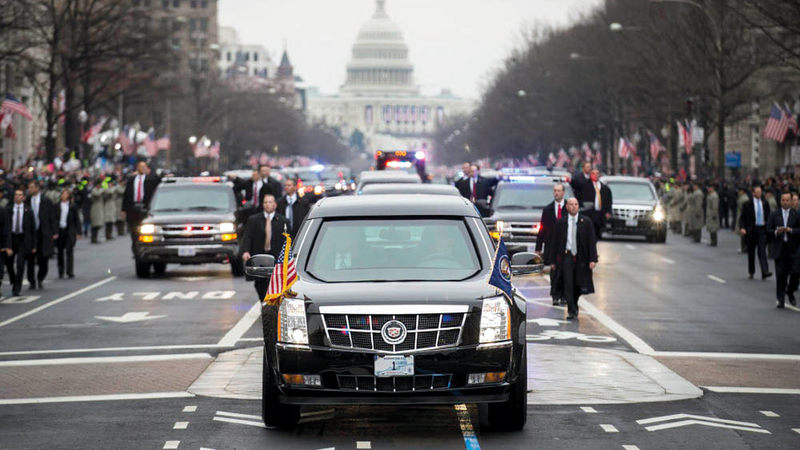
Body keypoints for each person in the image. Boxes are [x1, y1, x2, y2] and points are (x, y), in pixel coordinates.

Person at [549, 197, 598, 320]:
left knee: (578, 284)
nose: (574, 206)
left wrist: (593, 259)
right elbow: (554, 242)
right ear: (567, 206)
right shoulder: (561, 223)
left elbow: (591, 241)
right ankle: (571, 310)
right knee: (568, 283)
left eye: (576, 204)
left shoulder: (586, 222)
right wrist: (552, 260)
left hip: (581, 257)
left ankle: (574, 302)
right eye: (571, 204)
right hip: (567, 256)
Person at [239, 193, 289, 300]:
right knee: (260, 284)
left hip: (275, 257)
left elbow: (288, 239)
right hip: (260, 257)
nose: (267, 205)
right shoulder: (254, 220)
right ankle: (264, 303)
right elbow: (247, 236)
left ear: (275, 205)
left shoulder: (283, 221)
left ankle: (271, 305)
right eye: (265, 202)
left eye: (270, 202)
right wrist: (246, 251)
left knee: (274, 283)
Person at [536, 182, 567, 305]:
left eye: (559, 191)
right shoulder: (548, 209)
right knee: (554, 271)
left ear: (563, 193)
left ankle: (564, 295)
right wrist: (539, 247)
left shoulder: (569, 208)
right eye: (555, 190)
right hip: (552, 245)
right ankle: (555, 295)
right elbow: (542, 229)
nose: (556, 193)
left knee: (565, 271)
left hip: (566, 245)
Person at [767, 191, 800, 308]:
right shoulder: (774, 214)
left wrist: (791, 230)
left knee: (796, 273)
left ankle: (790, 291)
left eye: (787, 200)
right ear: (780, 201)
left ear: (791, 201)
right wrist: (777, 231)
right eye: (783, 200)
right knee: (781, 275)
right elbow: (768, 230)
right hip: (779, 248)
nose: (785, 203)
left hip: (793, 249)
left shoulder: (796, 214)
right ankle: (780, 299)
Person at [26, 180, 57, 290]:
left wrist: (54, 232)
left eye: (32, 187)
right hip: (30, 233)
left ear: (38, 188)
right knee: (30, 259)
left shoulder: (46, 201)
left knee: (43, 258)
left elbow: (52, 216)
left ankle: (40, 278)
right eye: (29, 187)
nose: (30, 189)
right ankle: (31, 281)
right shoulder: (27, 200)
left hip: (43, 232)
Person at [122, 160, 159, 247]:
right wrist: (123, 209)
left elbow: (158, 181)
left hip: (145, 208)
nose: (142, 168)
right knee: (134, 233)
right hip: (133, 209)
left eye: (144, 167)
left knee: (145, 230)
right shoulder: (131, 179)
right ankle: (136, 248)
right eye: (140, 167)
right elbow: (126, 194)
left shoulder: (151, 179)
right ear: (137, 168)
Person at [7, 188, 35, 296]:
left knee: (20, 264)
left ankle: (17, 288)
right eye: (16, 195)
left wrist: (33, 244)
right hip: (11, 238)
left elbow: (32, 228)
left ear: (23, 197)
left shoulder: (28, 210)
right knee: (9, 264)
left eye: (20, 195)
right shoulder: (9, 209)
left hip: (23, 239)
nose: (17, 197)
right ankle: (13, 279)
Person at [740, 185, 772, 280]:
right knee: (751, 251)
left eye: (760, 192)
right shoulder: (747, 204)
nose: (759, 194)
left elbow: (769, 216)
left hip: (762, 228)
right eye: (757, 192)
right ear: (753, 193)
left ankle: (765, 271)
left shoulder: (765, 203)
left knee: (762, 250)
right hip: (752, 229)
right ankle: (751, 271)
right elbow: (742, 217)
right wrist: (742, 227)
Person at [56, 189, 81, 279]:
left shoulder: (72, 206)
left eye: (66, 194)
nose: (64, 196)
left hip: (69, 230)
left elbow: (77, 219)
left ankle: (70, 271)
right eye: (63, 194)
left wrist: (78, 232)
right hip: (60, 230)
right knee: (60, 251)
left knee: (69, 250)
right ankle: (61, 270)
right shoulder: (57, 206)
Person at [585, 169, 612, 240]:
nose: (596, 175)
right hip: (589, 213)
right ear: (591, 175)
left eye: (597, 173)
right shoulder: (586, 186)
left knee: (598, 231)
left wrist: (608, 212)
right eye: (594, 173)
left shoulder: (604, 188)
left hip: (600, 213)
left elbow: (609, 201)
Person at [89, 179, 105, 243]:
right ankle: (93, 238)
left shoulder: (99, 190)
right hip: (95, 208)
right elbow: (97, 194)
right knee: (95, 224)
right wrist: (102, 190)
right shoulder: (94, 190)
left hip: (100, 208)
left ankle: (95, 238)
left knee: (98, 224)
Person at [736, 186, 749, 253]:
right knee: (742, 233)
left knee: (743, 233)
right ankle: (743, 247)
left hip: (743, 217)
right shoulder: (742, 197)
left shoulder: (744, 199)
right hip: (741, 215)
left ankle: (744, 248)